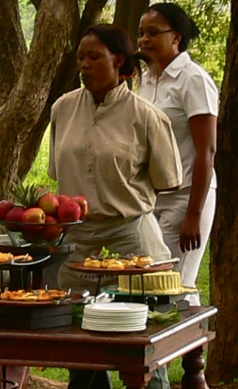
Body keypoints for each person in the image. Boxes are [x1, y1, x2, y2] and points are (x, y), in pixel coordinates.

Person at [49, 24, 182, 389]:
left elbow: (167, 180)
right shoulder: (63, 108)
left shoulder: (146, 116)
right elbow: (59, 171)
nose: (84, 65)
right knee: (80, 344)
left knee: (143, 345)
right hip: (79, 241)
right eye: (81, 57)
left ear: (118, 61)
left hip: (132, 239)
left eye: (94, 57)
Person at [137, 3, 218, 307]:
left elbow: (207, 150)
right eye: (141, 33)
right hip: (152, 199)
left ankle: (192, 338)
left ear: (176, 37)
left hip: (186, 197)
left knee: (176, 286)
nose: (144, 40)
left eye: (153, 32)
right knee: (151, 283)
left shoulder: (193, 79)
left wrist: (193, 215)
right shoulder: (146, 80)